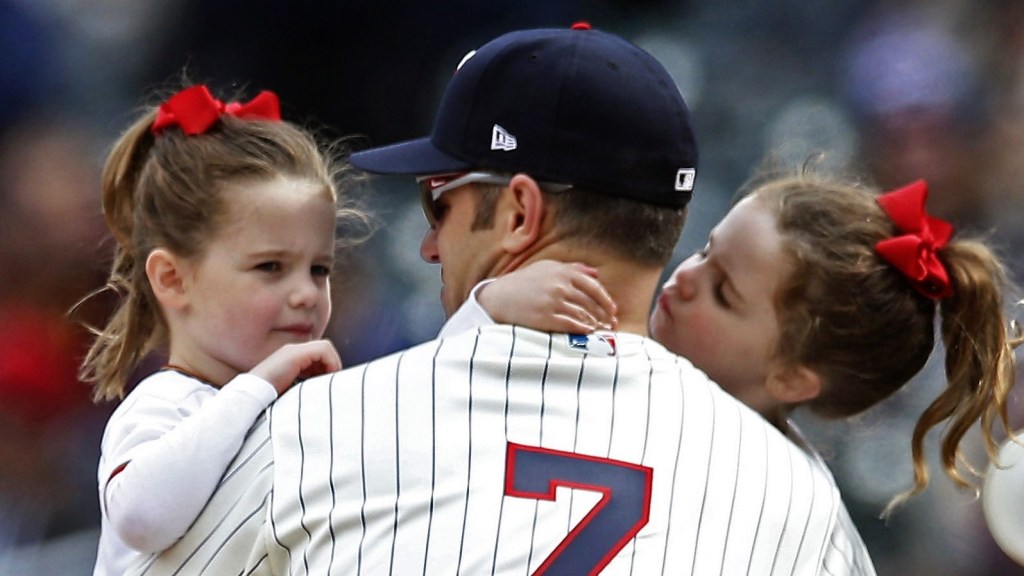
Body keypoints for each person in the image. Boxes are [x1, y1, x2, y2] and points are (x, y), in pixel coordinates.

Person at [133, 24, 875, 575]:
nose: (428, 245)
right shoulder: (794, 495)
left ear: (519, 213)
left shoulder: (318, 430)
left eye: (440, 204)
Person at [469, 170, 1022, 520]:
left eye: (723, 292)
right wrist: (491, 311)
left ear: (790, 376)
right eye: (707, 249)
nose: (686, 277)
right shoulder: (586, 341)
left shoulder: (800, 518)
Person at [78, 84, 355, 575]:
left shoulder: (301, 411)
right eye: (270, 267)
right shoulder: (166, 402)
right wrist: (256, 388)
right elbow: (142, 517)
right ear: (173, 278)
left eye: (320, 269)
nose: (307, 294)